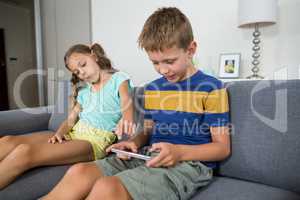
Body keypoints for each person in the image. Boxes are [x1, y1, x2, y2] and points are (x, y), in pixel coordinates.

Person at [43, 7, 231, 200]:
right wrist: (132, 143)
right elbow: (148, 131)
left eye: (170, 61)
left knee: (108, 188)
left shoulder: (212, 88)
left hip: (190, 164)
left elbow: (222, 148)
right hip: (148, 155)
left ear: (190, 50)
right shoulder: (153, 88)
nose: (163, 70)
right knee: (79, 172)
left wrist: (179, 152)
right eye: (155, 63)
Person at [0, 43, 135, 190]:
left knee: (24, 152)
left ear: (94, 56)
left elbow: (127, 102)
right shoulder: (84, 92)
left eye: (83, 65)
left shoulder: (119, 79)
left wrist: (127, 119)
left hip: (95, 140)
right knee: (9, 141)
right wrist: (59, 134)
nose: (82, 73)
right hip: (74, 133)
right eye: (77, 72)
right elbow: (71, 120)